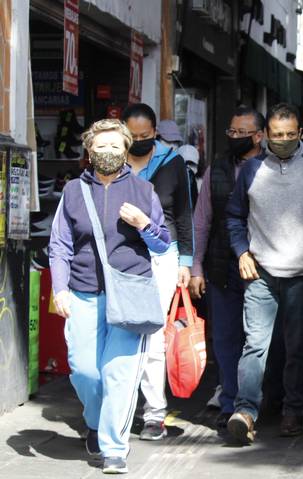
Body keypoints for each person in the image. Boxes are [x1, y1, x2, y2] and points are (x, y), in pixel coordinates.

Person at [49, 119, 170, 474]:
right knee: (86, 371)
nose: (108, 153)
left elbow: (162, 243)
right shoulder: (73, 191)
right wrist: (59, 289)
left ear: (126, 150)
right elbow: (59, 245)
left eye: (116, 146)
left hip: (130, 292)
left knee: (119, 373)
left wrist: (143, 224)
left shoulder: (143, 191)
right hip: (84, 293)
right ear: (89, 150)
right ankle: (95, 421)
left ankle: (114, 447)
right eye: (101, 146)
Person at [226, 103, 303, 442]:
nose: (283, 140)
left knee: (297, 345)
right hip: (261, 273)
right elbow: (234, 216)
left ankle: (292, 410)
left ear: (300, 133)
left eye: (289, 134)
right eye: (276, 135)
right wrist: (241, 251)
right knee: (255, 345)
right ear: (265, 136)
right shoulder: (252, 169)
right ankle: (245, 410)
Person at [187, 106, 266, 430]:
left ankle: (258, 401)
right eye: (231, 132)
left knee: (258, 339)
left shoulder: (272, 168)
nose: (234, 137)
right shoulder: (216, 170)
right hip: (221, 267)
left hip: (262, 268)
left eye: (241, 133)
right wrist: (195, 268)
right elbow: (201, 221)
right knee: (225, 338)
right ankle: (231, 401)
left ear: (259, 136)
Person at [121, 103, 194, 441]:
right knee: (120, 331)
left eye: (145, 136)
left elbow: (183, 214)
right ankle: (118, 407)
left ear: (156, 134)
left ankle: (153, 413)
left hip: (163, 256)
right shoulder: (113, 162)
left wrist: (186, 262)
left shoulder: (172, 162)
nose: (138, 141)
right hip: (120, 256)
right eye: (132, 136)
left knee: (152, 335)